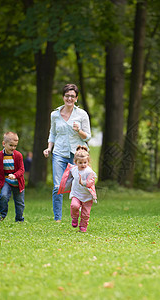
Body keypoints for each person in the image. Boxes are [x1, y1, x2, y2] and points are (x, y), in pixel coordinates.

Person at [43, 83, 91, 222]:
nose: (69, 98)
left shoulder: (82, 114)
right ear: (63, 97)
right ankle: (57, 218)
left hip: (77, 155)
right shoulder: (55, 114)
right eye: (67, 96)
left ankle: (78, 214)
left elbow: (87, 137)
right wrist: (49, 148)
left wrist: (78, 131)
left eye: (72, 96)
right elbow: (52, 133)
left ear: (76, 98)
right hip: (59, 152)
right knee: (58, 186)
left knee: (78, 185)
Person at [58, 146, 97, 232]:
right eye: (80, 163)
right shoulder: (73, 170)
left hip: (87, 196)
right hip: (76, 194)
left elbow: (91, 182)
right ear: (75, 162)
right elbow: (67, 176)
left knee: (85, 213)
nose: (83, 165)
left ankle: (83, 226)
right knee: (74, 206)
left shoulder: (89, 171)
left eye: (85, 162)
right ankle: (75, 217)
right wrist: (62, 185)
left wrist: (83, 182)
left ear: (88, 161)